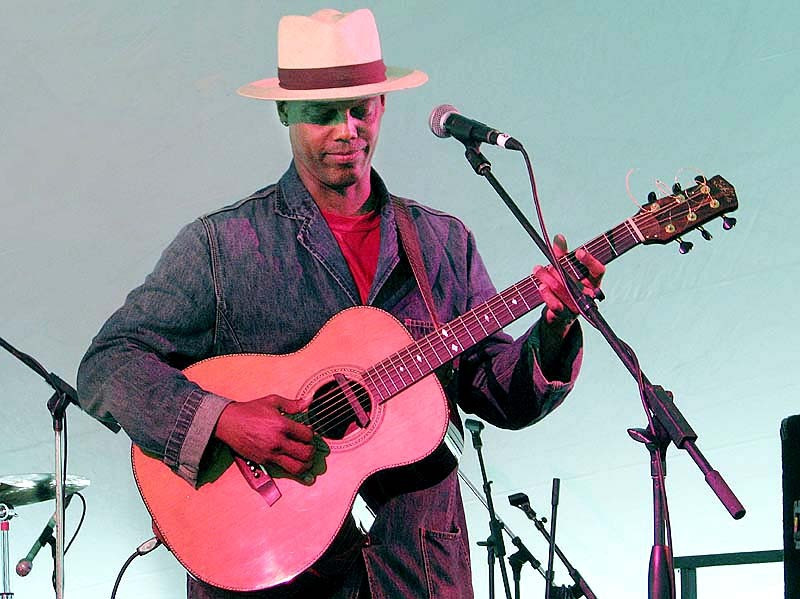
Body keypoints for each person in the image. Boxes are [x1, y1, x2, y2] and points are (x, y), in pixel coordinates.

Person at [76, 8, 604, 599]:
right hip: (275, 574)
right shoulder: (223, 245)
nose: (346, 131)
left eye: (360, 110)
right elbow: (108, 364)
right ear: (285, 112)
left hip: (419, 570)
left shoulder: (441, 241)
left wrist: (555, 328)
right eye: (322, 114)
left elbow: (499, 392)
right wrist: (223, 420)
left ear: (383, 105)